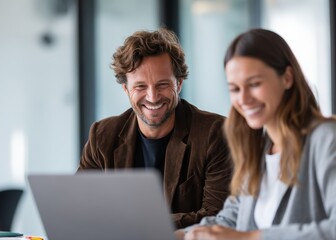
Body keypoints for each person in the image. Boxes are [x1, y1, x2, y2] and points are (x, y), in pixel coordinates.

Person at [177, 28, 336, 240]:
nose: (243, 99)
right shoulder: (256, 147)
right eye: (234, 89)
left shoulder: (326, 139)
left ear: (287, 78)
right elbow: (230, 220)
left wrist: (249, 238)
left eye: (254, 84)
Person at [77, 28, 232, 229]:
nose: (152, 97)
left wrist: (139, 225)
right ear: (126, 89)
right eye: (140, 87)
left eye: (162, 85)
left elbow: (217, 219)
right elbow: (80, 209)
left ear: (179, 84)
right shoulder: (102, 135)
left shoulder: (215, 133)